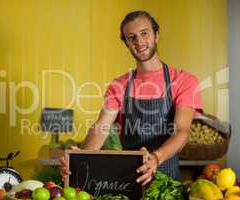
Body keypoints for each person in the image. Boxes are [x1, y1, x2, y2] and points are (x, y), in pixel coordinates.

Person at [60, 11, 202, 186]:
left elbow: (182, 131)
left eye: (145, 33)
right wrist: (79, 159)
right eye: (131, 37)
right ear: (126, 43)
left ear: (156, 35)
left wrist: (156, 158)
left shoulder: (183, 80)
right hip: (129, 184)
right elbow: (101, 127)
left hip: (168, 187)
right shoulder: (119, 85)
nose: (139, 42)